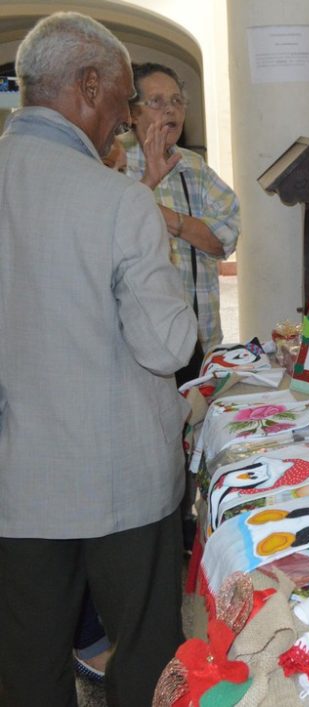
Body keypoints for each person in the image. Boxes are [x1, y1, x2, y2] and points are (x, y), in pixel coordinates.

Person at [0, 12, 197, 707]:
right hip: (120, 481)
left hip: (15, 484)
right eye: (123, 97)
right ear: (88, 85)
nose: (127, 117)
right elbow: (167, 345)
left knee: (26, 665)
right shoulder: (118, 200)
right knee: (145, 656)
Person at [122, 61, 241, 385]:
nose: (170, 109)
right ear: (132, 114)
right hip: (142, 353)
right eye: (156, 101)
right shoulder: (114, 164)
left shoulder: (193, 166)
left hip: (202, 341)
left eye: (177, 100)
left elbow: (225, 237)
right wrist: (192, 227)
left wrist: (168, 219)